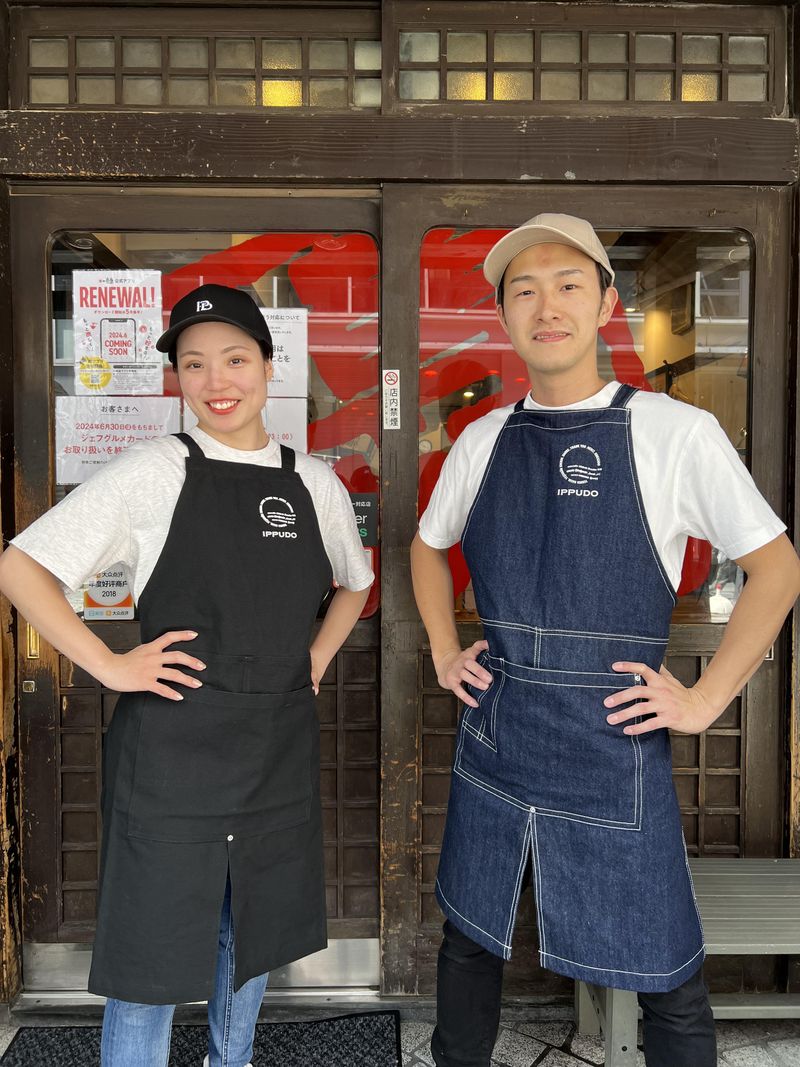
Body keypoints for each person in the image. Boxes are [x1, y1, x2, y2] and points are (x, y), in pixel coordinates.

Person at [410, 214, 800, 1067]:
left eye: (568, 285)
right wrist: (445, 649)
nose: (546, 306)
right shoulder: (479, 440)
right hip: (500, 727)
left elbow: (777, 569)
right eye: (524, 290)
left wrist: (701, 701)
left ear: (606, 302)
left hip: (613, 736)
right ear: (506, 317)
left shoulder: (672, 433)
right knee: (469, 940)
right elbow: (426, 547)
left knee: (666, 968)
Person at [0, 283, 373, 1067]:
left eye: (235, 358)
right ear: (178, 378)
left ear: (271, 366)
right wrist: (106, 661)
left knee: (252, 929)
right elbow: (21, 566)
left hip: (273, 746)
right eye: (194, 364)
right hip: (172, 753)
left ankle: (226, 1061)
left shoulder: (315, 482)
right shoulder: (153, 469)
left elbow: (356, 580)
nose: (216, 379)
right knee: (151, 951)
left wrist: (315, 656)